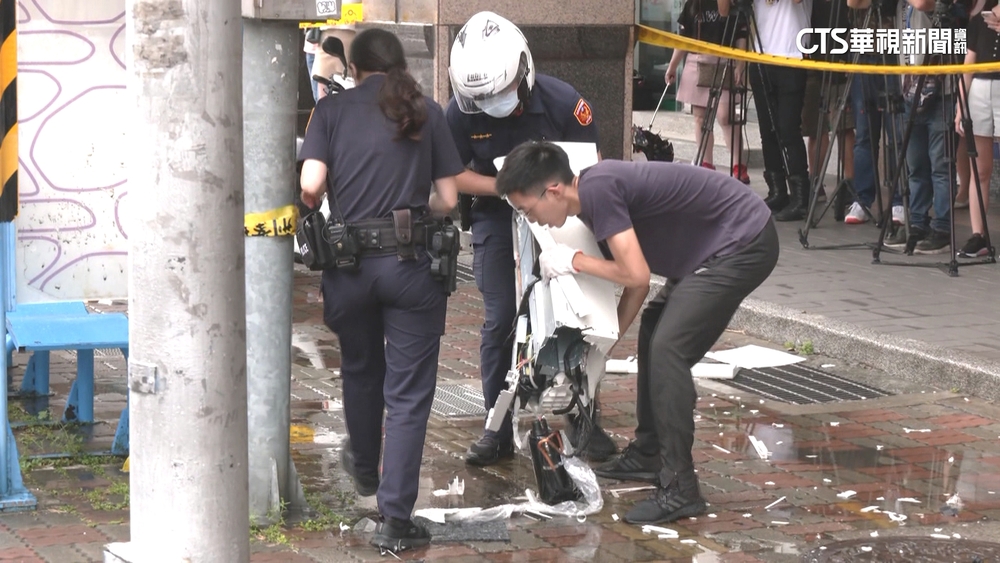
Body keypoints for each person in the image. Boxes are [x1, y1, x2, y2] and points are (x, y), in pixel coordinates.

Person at [495, 141, 779, 524]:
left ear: (554, 191)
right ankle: (649, 453)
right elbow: (637, 288)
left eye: (530, 210)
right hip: (713, 244)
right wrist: (603, 349)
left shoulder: (598, 192)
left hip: (742, 240)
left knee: (668, 350)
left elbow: (636, 275)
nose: (535, 220)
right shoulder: (590, 195)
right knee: (654, 327)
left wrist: (575, 261)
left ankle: (681, 488)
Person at [299, 28, 462, 552]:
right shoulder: (426, 110)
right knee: (408, 394)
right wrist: (409, 210)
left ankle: (366, 466)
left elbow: (310, 185)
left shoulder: (331, 110)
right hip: (412, 267)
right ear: (400, 64)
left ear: (353, 68)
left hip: (348, 267)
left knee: (361, 368)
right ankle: (395, 518)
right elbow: (448, 198)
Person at [445, 11, 618, 466]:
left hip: (561, 213)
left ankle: (585, 416)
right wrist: (507, 189)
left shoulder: (564, 103)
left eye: (500, 93)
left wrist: (546, 198)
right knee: (501, 319)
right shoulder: (459, 112)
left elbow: (592, 166)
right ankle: (497, 426)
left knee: (578, 314)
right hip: (495, 215)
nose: (491, 103)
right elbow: (452, 173)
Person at [719, 0, 811, 222]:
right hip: (761, 56)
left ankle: (800, 198)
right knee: (767, 131)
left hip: (793, 56)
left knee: (788, 129)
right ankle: (777, 190)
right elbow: (724, 10)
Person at [666, 0, 751, 182]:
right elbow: (683, 38)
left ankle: (738, 165)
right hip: (697, 61)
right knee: (700, 117)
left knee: (726, 116)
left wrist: (740, 65)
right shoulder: (693, 4)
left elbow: (741, 35)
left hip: (725, 61)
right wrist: (672, 66)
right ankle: (706, 163)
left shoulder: (733, 3)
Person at [955, 0, 1000, 257]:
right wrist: (960, 105)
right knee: (980, 169)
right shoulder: (978, 19)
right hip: (980, 88)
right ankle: (977, 235)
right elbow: (968, 63)